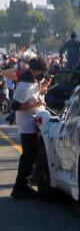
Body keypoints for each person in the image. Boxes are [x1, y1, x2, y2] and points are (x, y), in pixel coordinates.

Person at [11, 57, 51, 199]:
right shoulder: (24, 85)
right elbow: (15, 105)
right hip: (26, 123)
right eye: (41, 72)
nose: (43, 75)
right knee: (28, 156)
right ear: (32, 70)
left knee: (33, 154)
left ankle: (24, 184)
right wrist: (34, 105)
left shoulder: (36, 79)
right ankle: (19, 187)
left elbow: (37, 94)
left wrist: (44, 87)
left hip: (36, 119)